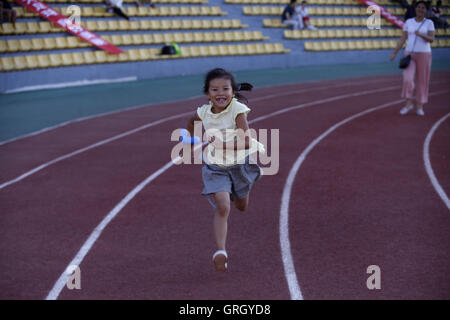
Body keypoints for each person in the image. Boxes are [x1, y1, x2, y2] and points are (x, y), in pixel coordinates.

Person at [183, 68, 265, 272]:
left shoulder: (237, 110)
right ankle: (221, 251)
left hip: (239, 164)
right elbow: (191, 121)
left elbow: (246, 141)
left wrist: (222, 145)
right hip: (216, 167)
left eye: (225, 89)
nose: (220, 93)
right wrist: (189, 137)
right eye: (215, 89)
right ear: (207, 93)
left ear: (233, 91)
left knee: (241, 206)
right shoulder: (203, 111)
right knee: (223, 206)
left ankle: (245, 187)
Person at [389, 1, 435, 116]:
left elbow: (431, 39)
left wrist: (421, 35)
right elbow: (402, 39)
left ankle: (420, 105)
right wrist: (395, 53)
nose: (420, 9)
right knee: (407, 79)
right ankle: (408, 104)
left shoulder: (429, 23)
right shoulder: (409, 22)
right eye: (418, 7)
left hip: (424, 54)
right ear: (415, 9)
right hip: (409, 54)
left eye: (423, 8)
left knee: (422, 81)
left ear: (426, 10)